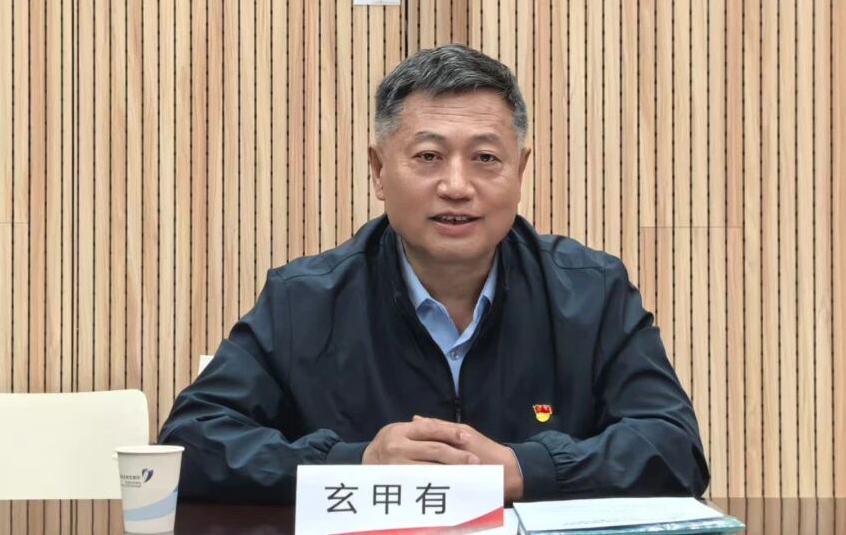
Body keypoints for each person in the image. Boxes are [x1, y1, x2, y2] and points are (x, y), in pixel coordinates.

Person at [158, 44, 710, 504]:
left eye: (485, 158)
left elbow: (673, 447)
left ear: (520, 171)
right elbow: (192, 443)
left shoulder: (592, 291)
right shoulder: (304, 300)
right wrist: (356, 463)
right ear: (379, 171)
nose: (457, 186)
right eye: (428, 157)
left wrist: (525, 469)